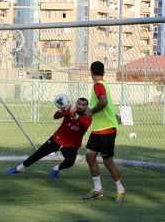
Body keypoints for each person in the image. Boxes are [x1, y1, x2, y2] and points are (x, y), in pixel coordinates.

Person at [7, 98, 92, 178]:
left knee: (70, 162)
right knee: (38, 154)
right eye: (79, 104)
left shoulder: (88, 116)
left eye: (83, 105)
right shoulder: (70, 110)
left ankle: (56, 169)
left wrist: (76, 116)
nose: (80, 106)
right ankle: (19, 168)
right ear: (76, 104)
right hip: (57, 139)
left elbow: (84, 126)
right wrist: (62, 109)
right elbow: (56, 116)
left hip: (72, 145)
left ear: (87, 107)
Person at [82, 61, 126, 203]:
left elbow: (104, 101)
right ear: (103, 72)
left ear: (91, 73)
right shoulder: (103, 84)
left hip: (106, 129)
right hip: (98, 130)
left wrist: (91, 111)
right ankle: (97, 189)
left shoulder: (98, 85)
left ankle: (120, 190)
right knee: (90, 157)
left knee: (108, 162)